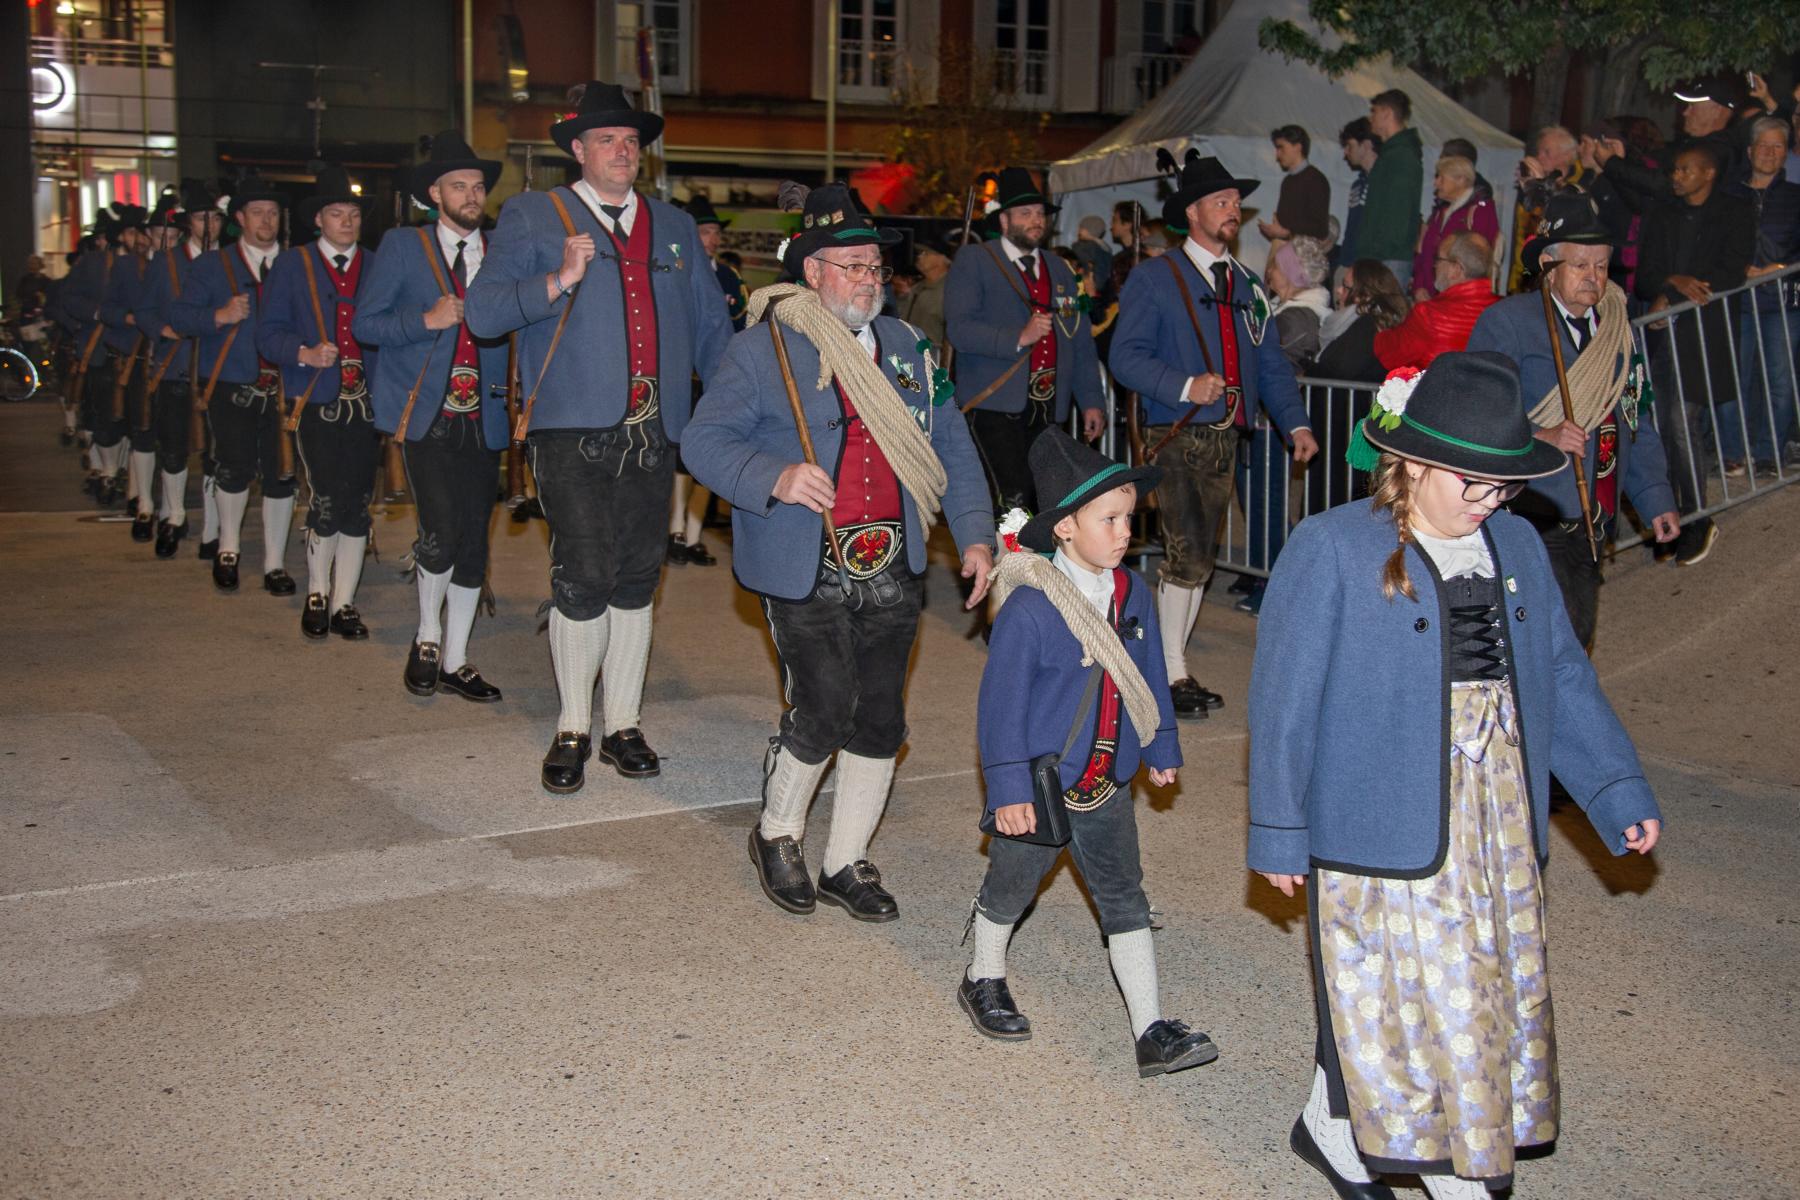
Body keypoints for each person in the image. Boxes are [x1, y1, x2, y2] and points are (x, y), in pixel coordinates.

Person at [1249, 350, 1664, 1200]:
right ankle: (1453, 1171)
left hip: (1495, 812)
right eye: (1471, 483)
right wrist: (1278, 828)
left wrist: (1614, 786)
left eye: (1503, 486)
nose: (1488, 501)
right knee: (1402, 987)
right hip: (1378, 811)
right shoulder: (1332, 547)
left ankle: (1330, 1125)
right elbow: (1284, 701)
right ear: (1411, 463)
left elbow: (1561, 675)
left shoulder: (1516, 543)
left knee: (1465, 978)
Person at [682, 182, 995, 922]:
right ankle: (776, 832)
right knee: (823, 707)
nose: (868, 279)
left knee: (881, 717)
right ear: (812, 272)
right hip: (804, 561)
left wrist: (976, 533)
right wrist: (776, 476)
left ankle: (845, 860)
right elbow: (702, 441)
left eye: (875, 267)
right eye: (852, 266)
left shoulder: (909, 348)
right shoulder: (761, 350)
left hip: (892, 558)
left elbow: (950, 440)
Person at [465, 81, 732, 794]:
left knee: (639, 575)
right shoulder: (532, 215)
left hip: (655, 429)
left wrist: (735, 406)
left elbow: (711, 326)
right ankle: (572, 726)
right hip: (570, 428)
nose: (622, 150)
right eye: (607, 139)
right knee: (583, 573)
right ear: (578, 150)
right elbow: (484, 314)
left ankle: (624, 725)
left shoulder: (674, 226)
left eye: (631, 140)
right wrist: (558, 279)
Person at [959, 429, 1216, 1078]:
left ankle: (1150, 1028)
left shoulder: (1131, 593)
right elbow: (1001, 710)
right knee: (1011, 887)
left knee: (1125, 896)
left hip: (1107, 781)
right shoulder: (1030, 607)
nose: (1126, 531)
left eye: (1129, 518)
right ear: (1065, 528)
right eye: (1110, 519)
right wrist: (1008, 789)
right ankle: (983, 973)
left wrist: (1160, 742)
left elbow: (1149, 674)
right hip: (1042, 785)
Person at [1110, 152, 1319, 719]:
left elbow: (1270, 364)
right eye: (1222, 202)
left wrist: (1295, 422)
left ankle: (1166, 664)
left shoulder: (1248, 284)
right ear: (1192, 212)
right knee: (1187, 550)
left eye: (1236, 202)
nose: (1233, 210)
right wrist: (1184, 385)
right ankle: (1171, 671)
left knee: (1199, 557)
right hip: (1175, 431)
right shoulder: (1155, 277)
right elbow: (1125, 356)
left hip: (1227, 437)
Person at [1467, 192, 1681, 648]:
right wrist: (1538, 435)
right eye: (1581, 265)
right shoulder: (1507, 322)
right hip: (1531, 513)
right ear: (1548, 264)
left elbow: (1634, 417)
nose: (1594, 276)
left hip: (1592, 519)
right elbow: (1480, 408)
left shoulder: (1618, 332)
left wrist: (1655, 497)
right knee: (1551, 642)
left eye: (1601, 266)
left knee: (1576, 640)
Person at [355, 131, 511, 699]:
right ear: (434, 194)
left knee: (474, 542)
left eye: (478, 186)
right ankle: (427, 637)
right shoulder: (403, 246)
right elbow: (365, 324)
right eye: (459, 186)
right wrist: (425, 320)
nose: (472, 195)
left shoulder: (501, 250)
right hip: (428, 414)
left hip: (486, 416)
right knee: (440, 530)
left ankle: (457, 659)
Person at [259, 166, 380, 642]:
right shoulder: (293, 265)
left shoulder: (376, 264)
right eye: (336, 213)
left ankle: (345, 601)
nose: (347, 222)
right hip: (316, 398)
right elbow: (267, 334)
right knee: (325, 498)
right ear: (318, 220)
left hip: (366, 402)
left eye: (353, 214)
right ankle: (317, 591)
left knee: (358, 503)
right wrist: (304, 353)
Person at [945, 166, 1105, 512]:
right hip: (995, 406)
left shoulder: (1060, 269)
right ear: (1004, 221)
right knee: (1011, 502)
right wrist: (1018, 337)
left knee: (1044, 499)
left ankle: (1033, 551)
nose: (1036, 220)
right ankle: (1007, 551)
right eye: (1025, 213)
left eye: (1039, 214)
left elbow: (1079, 341)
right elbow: (959, 329)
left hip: (1049, 408)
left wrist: (1091, 399)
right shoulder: (975, 260)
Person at [168, 172, 299, 597]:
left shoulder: (297, 263)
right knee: (233, 468)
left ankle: (275, 563)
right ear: (239, 218)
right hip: (229, 382)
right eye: (257, 213)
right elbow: (181, 317)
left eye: (273, 213)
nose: (266, 221)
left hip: (285, 385)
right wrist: (219, 316)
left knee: (281, 473)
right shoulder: (212, 265)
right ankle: (228, 549)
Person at [1634, 143, 1754, 567]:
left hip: (1706, 334)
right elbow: (1645, 275)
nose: (1676, 176)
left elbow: (1730, 271)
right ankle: (1672, 516)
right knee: (1662, 425)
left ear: (1708, 173)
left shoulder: (1735, 212)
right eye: (1675, 170)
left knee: (1682, 421)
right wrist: (1671, 282)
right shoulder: (1663, 213)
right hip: (1663, 338)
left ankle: (1697, 516)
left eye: (1685, 170)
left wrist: (1674, 294)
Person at [134, 180, 224, 560]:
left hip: (220, 372)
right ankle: (174, 516)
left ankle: (213, 529)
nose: (209, 226)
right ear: (189, 223)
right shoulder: (167, 262)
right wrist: (163, 329)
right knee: (172, 448)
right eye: (202, 219)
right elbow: (144, 311)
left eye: (215, 219)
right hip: (176, 368)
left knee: (217, 456)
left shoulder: (230, 261)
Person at [1721, 116, 1800, 474]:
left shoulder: (1795, 197)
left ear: (1786, 153)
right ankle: (1735, 452)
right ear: (1750, 150)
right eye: (1763, 145)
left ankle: (1769, 454)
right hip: (1736, 300)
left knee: (1781, 381)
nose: (1769, 152)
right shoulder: (1728, 194)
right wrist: (1739, 270)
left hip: (1782, 302)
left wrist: (1778, 269)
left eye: (1777, 146)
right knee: (1734, 378)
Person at [669, 194, 742, 568]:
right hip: (683, 378)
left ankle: (694, 536)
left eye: (715, 232)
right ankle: (675, 531)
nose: (712, 239)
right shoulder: (676, 273)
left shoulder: (729, 277)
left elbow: (739, 326)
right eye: (704, 231)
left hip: (716, 380)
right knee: (679, 456)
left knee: (709, 454)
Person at [97, 202, 157, 534]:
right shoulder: (123, 267)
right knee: (137, 426)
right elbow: (107, 310)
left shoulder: (169, 265)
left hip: (163, 356)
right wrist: (130, 318)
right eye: (134, 232)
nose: (141, 239)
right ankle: (140, 498)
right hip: (132, 356)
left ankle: (142, 493)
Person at [1377, 232, 1498, 371]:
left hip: (1440, 385)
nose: (1434, 266)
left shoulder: (1429, 315)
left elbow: (1389, 354)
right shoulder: (1504, 311)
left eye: (1438, 259)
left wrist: (1377, 330)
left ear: (1456, 269)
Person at [1507, 127, 1586, 293]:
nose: (1539, 157)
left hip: (1559, 276)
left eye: (1546, 152)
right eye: (1539, 151)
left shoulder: (1580, 187)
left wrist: (1540, 188)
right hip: (1526, 273)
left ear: (1567, 156)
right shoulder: (1535, 183)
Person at [1358, 90, 1423, 289]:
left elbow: (1399, 210)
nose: (1371, 117)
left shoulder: (1402, 156)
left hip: (1388, 258)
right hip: (1380, 257)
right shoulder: (1391, 154)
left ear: (1387, 113)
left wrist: (1377, 251)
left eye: (1374, 111)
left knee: (1386, 308)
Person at [1412, 157, 1497, 301]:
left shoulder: (1480, 211)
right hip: (1431, 293)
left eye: (1441, 178)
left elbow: (1477, 262)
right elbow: (1424, 252)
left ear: (1461, 180)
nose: (1436, 183)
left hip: (1459, 298)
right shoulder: (1440, 212)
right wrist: (1419, 286)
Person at [1316, 261, 1408, 385]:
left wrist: (1309, 371)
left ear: (1365, 296)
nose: (1339, 290)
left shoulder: (1368, 327)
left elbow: (1339, 368)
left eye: (1346, 287)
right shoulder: (1379, 323)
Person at [1265, 235, 1333, 367]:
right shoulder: (1288, 309)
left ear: (1290, 275)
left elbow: (1281, 367)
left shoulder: (1295, 320)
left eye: (1275, 266)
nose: (1269, 270)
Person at [1259, 124, 1332, 247]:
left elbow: (1320, 229)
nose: (1277, 155)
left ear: (1298, 147)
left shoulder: (1316, 180)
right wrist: (1278, 229)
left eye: (1281, 148)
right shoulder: (1287, 181)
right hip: (1285, 248)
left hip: (1304, 253)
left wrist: (1287, 231)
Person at [1337, 118, 1379, 274]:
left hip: (1370, 266)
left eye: (1350, 145)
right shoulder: (1357, 184)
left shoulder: (1384, 183)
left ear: (1366, 145)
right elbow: (1351, 228)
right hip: (1350, 262)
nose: (1346, 152)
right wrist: (1344, 261)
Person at [898, 237, 950, 356]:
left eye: (926, 253)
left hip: (935, 356)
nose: (919, 256)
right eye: (920, 253)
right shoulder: (918, 288)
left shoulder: (951, 289)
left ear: (942, 258)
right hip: (911, 351)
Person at [1072, 213, 1113, 285]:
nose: (1078, 231)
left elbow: (1079, 262)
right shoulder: (1104, 247)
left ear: (1088, 230)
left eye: (1081, 228)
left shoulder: (1085, 247)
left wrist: (1075, 246)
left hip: (1088, 282)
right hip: (1102, 283)